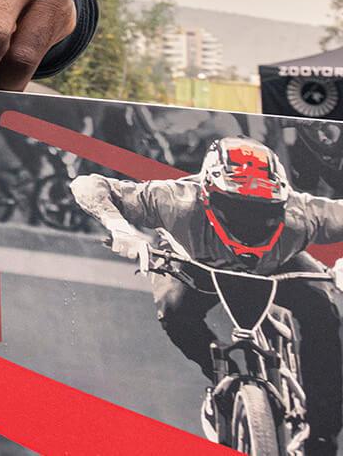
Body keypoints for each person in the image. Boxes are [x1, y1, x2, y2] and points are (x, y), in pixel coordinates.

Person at [74, 138, 343, 452]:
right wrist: (119, 227)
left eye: (265, 211)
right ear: (206, 194)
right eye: (236, 208)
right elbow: (88, 185)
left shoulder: (301, 213)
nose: (250, 222)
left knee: (324, 310)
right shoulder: (177, 201)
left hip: (277, 264)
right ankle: (217, 374)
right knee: (174, 310)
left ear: (283, 201)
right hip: (194, 263)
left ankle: (323, 432)